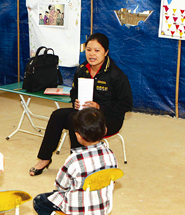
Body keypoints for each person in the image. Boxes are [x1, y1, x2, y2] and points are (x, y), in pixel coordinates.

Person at [30, 32, 132, 176]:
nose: (92, 54)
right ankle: (45, 158)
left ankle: (78, 163)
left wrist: (99, 107)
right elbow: (74, 91)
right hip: (85, 112)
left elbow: (126, 104)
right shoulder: (82, 69)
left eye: (97, 50)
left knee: (75, 119)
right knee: (57, 115)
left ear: (106, 52)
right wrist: (76, 101)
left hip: (109, 118)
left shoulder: (116, 75)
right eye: (88, 50)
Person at [33, 108, 118, 215]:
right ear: (105, 130)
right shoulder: (111, 154)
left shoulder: (74, 159)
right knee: (86, 193)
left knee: (39, 202)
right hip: (102, 203)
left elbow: (60, 186)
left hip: (76, 206)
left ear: (78, 136)